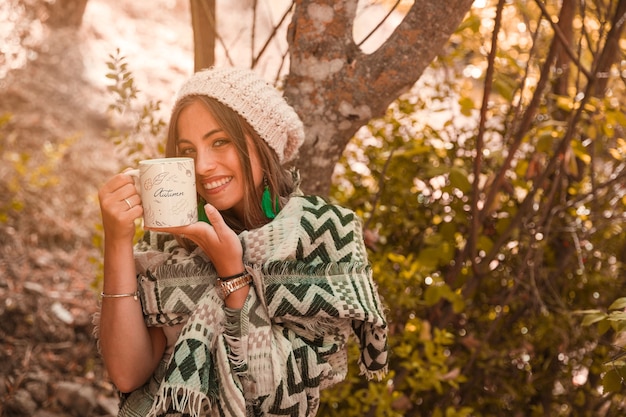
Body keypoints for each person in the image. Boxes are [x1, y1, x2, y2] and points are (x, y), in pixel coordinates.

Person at [96, 67, 388, 417]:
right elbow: (128, 373)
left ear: (261, 141)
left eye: (220, 141)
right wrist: (116, 241)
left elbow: (281, 402)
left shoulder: (320, 235)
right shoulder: (172, 237)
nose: (202, 166)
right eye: (188, 150)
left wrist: (231, 274)